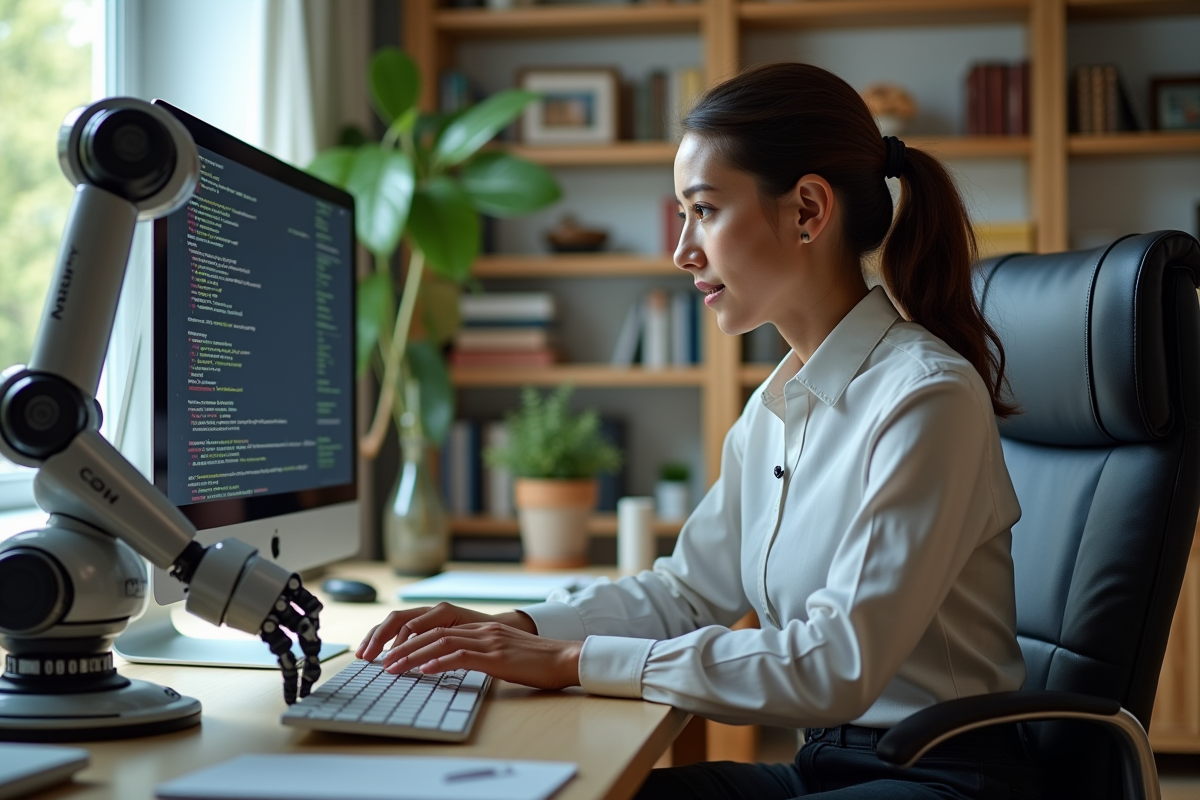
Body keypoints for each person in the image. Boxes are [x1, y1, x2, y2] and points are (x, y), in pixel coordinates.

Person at [357, 62, 1045, 799]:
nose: (683, 250)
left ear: (808, 210)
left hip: (946, 777)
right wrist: (521, 627)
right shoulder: (775, 406)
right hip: (828, 765)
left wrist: (571, 661)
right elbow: (685, 595)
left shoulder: (924, 398)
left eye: (705, 210)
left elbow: (836, 664)